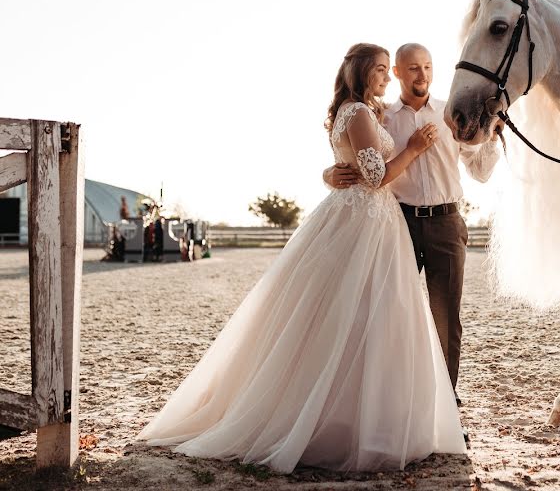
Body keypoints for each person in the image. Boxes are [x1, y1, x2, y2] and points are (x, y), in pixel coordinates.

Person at [138, 43, 466, 473]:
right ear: (366, 73)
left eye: (394, 69)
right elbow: (373, 176)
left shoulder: (370, 110)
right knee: (365, 315)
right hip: (373, 220)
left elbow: (349, 157)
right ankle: (349, 419)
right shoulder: (365, 113)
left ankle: (407, 407)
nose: (389, 77)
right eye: (384, 70)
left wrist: (331, 171)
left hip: (385, 221)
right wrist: (414, 149)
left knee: (383, 315)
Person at [325, 43, 501, 403]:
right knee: (392, 314)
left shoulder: (450, 115)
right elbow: (353, 154)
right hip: (397, 224)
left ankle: (445, 406)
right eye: (413, 69)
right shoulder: (382, 117)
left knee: (446, 321)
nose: (423, 75)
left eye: (428, 67)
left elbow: (479, 172)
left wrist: (493, 138)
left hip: (447, 223)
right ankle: (395, 403)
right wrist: (328, 173)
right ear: (398, 74)